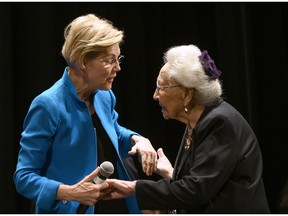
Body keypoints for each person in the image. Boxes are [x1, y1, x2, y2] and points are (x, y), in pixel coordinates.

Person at [13, 14, 157, 214]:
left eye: (118, 59)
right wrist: (70, 192)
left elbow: (113, 131)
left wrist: (137, 140)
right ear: (83, 62)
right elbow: (24, 177)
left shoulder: (105, 96)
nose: (118, 68)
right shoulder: (48, 105)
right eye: (110, 61)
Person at [105, 44, 270, 213]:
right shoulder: (195, 122)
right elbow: (203, 182)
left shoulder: (220, 122)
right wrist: (171, 174)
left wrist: (134, 188)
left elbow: (195, 190)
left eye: (161, 87)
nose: (155, 95)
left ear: (187, 94)